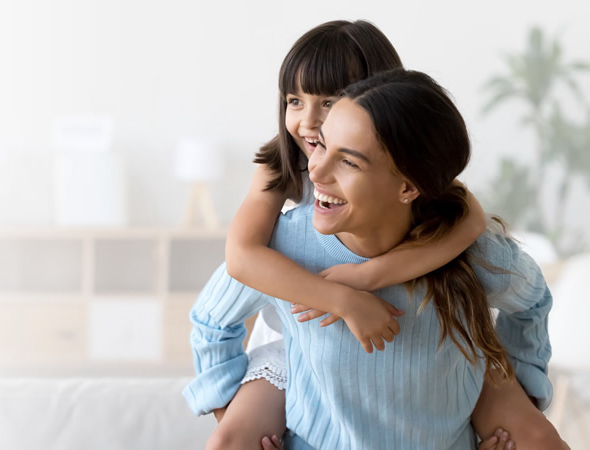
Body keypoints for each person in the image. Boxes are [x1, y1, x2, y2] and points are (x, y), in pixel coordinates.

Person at [204, 20, 564, 450]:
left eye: (332, 102)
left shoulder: (419, 185)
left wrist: (369, 276)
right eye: (294, 100)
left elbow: (469, 224)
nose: (309, 123)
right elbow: (241, 260)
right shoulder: (278, 172)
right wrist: (341, 298)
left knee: (532, 434)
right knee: (231, 438)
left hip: (428, 352)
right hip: (294, 340)